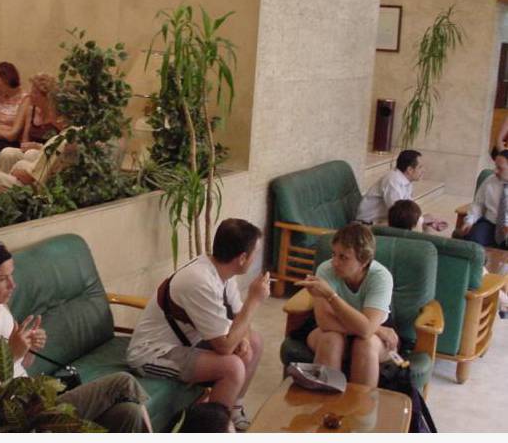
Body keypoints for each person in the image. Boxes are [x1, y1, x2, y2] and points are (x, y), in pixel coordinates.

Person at [0, 238, 151, 432]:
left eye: (11, 275)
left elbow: (22, 364)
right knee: (123, 383)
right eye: (2, 279)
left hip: (36, 402)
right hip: (16, 420)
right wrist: (9, 356)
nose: (12, 285)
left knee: (128, 413)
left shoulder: (1, 309)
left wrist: (29, 348)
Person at [126, 218, 270, 431]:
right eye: (255, 253)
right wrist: (254, 300)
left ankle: (233, 411)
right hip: (153, 352)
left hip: (189, 344)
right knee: (232, 367)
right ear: (242, 258)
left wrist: (245, 339)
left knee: (254, 342)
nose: (256, 257)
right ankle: (212, 429)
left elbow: (239, 316)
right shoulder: (199, 281)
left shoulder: (223, 272)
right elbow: (224, 346)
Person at [295, 223, 396, 388]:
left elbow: (366, 332)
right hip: (335, 331)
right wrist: (375, 329)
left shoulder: (381, 277)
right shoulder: (325, 270)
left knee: (365, 344)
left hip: (374, 339)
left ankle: (360, 404)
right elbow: (325, 323)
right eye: (334, 254)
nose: (334, 262)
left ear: (364, 261)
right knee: (331, 339)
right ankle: (324, 401)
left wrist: (331, 296)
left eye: (343, 257)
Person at [356, 149, 447, 231]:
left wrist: (430, 221)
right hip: (367, 226)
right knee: (417, 225)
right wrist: (422, 219)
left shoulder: (406, 181)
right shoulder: (392, 180)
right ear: (410, 170)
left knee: (423, 225)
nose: (424, 170)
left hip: (382, 221)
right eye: (420, 167)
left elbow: (409, 209)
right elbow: (400, 216)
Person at [458, 149, 508, 248]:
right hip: (490, 223)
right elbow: (478, 204)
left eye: (500, 168)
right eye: (495, 166)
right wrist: (469, 221)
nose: (495, 171)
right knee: (473, 242)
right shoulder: (490, 181)